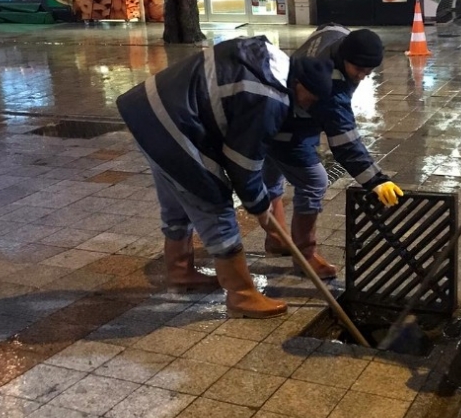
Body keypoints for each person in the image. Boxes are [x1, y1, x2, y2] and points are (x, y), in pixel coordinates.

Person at [116, 36, 334, 319]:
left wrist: (260, 204)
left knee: (179, 196)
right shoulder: (270, 97)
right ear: (300, 85)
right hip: (171, 120)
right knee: (212, 198)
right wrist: (260, 206)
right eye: (310, 99)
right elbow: (243, 162)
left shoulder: (273, 62)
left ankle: (180, 272)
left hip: (147, 108)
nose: (308, 106)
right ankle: (241, 294)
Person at [263, 25, 403, 279]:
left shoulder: (336, 35)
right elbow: (344, 141)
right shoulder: (331, 87)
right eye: (358, 70)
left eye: (369, 71)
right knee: (314, 182)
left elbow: (326, 26)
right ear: (344, 59)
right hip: (289, 125)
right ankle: (304, 257)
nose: (362, 76)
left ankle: (277, 239)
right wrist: (376, 180)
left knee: (272, 175)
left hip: (273, 111)